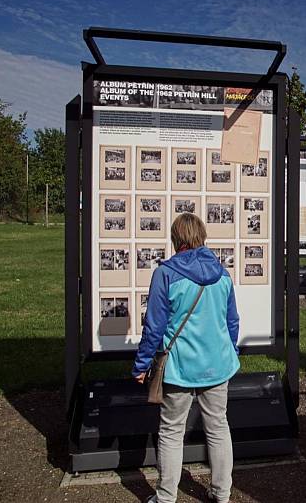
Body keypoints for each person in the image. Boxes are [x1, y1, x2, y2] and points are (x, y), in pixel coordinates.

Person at [133, 213, 240, 503]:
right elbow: (232, 322)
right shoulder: (222, 273)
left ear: (176, 238)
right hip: (218, 364)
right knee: (218, 427)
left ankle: (166, 497)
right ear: (202, 236)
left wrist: (142, 365)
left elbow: (154, 327)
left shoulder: (165, 274)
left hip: (178, 368)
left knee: (170, 431)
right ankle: (222, 494)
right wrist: (232, 351)